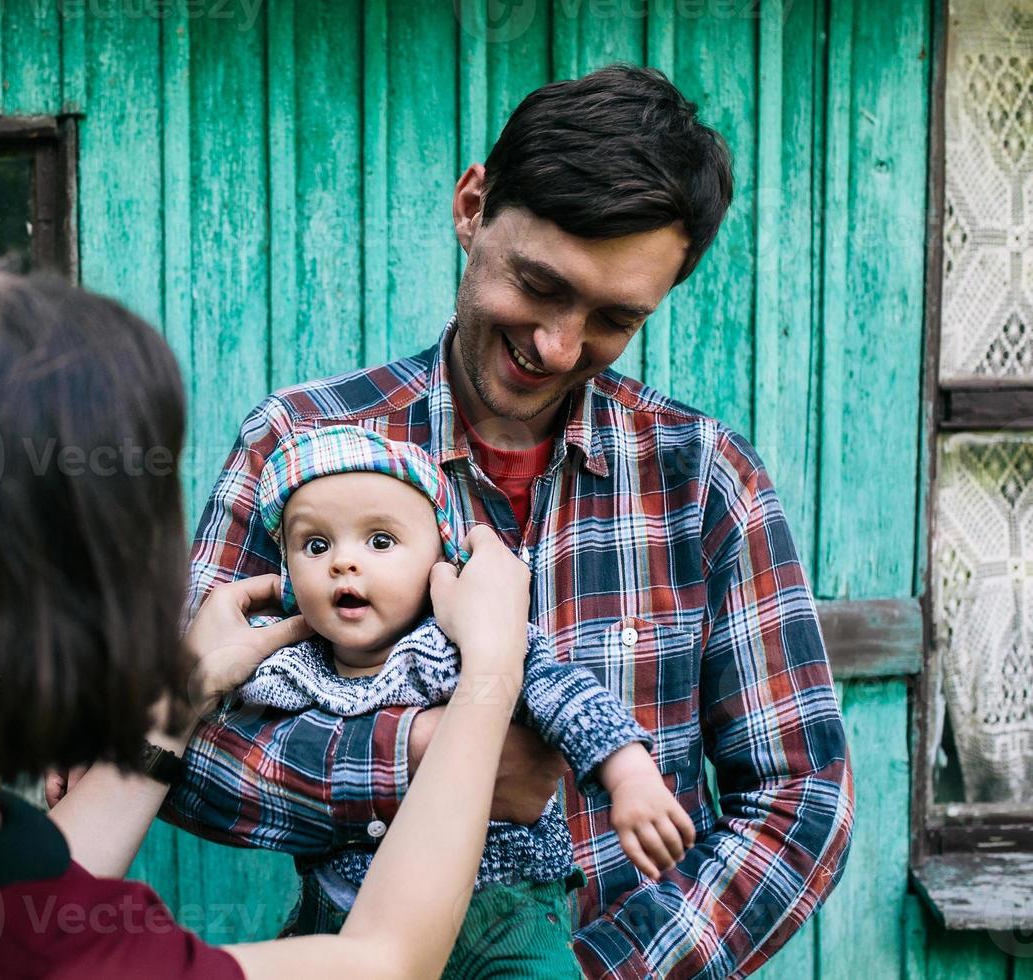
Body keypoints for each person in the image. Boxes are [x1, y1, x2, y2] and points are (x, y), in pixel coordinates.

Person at [155, 64, 856, 977]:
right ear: (473, 206)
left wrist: (597, 973)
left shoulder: (705, 477)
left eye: (613, 318)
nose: (559, 345)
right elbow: (176, 749)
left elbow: (800, 799)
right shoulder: (302, 450)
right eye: (539, 283)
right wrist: (414, 754)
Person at [0, 249, 539, 979]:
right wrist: (491, 675)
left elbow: (1, 891)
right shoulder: (52, 956)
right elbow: (384, 962)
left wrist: (178, 704)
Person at [232, 423, 694, 977]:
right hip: (343, 906)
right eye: (316, 544)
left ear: (440, 560)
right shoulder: (289, 667)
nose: (343, 563)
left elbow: (567, 694)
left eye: (380, 541)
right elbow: (228, 742)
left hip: (501, 907)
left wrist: (630, 777)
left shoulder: (459, 642)